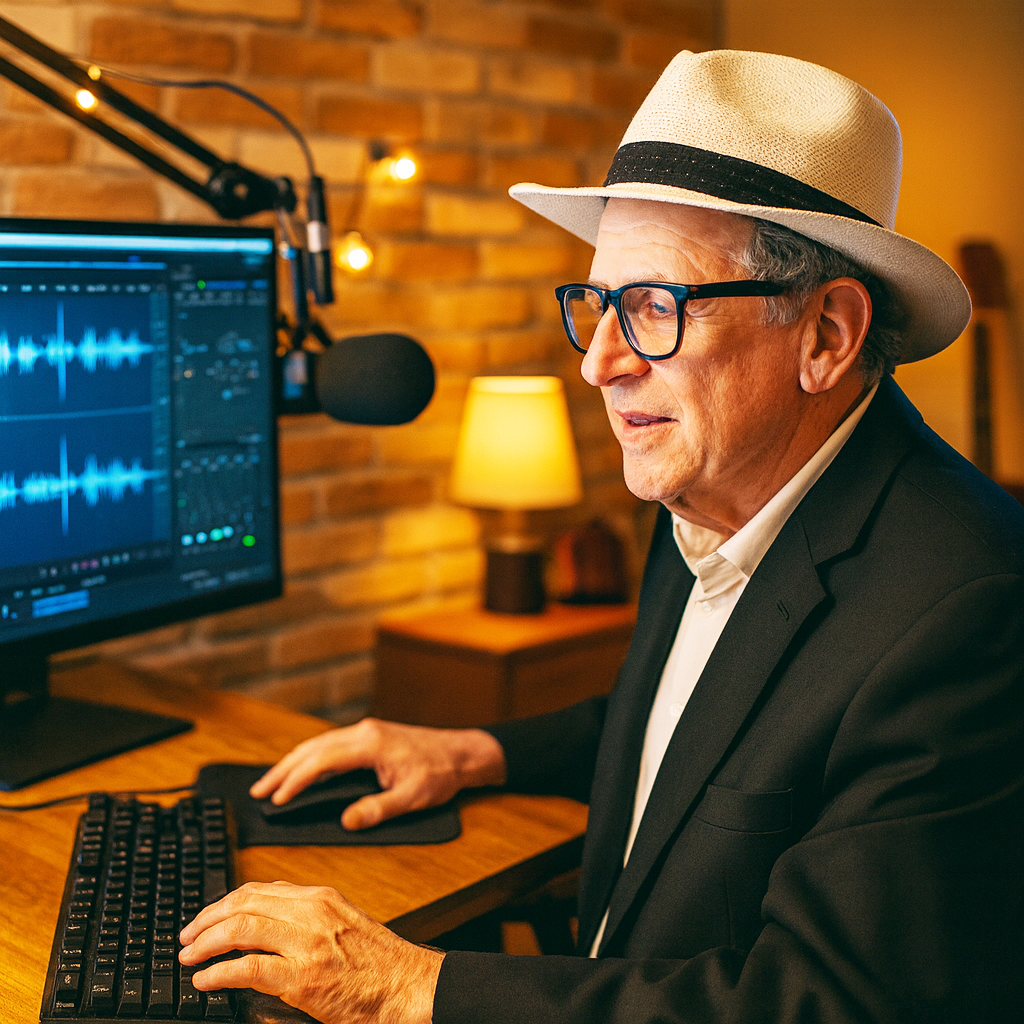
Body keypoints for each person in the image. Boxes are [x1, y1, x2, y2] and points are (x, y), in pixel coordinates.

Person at [178, 49, 1024, 1023]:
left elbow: (819, 1003)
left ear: (826, 335)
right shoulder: (713, 483)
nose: (602, 364)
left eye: (655, 307)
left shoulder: (964, 611)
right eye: (595, 306)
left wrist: (404, 986)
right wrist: (473, 751)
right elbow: (703, 729)